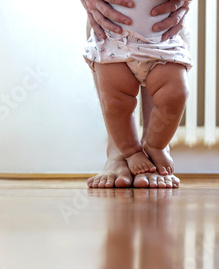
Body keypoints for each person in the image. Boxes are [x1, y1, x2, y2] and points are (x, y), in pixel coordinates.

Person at [82, 0, 191, 188]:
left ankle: (155, 145)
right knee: (115, 104)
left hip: (163, 43)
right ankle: (127, 151)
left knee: (175, 94)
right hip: (114, 42)